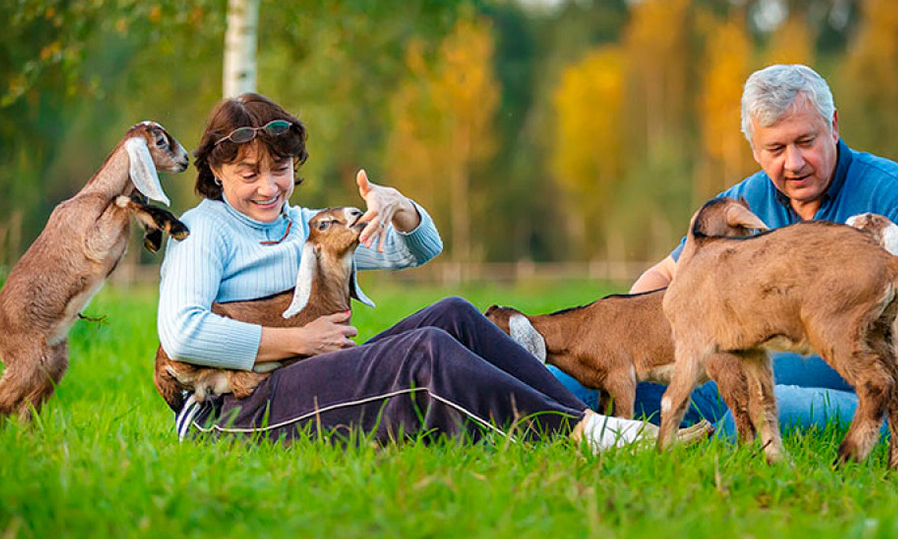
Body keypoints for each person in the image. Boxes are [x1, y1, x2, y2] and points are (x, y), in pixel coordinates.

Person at [157, 93, 676, 450]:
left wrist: (398, 207)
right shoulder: (202, 233)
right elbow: (182, 334)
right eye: (249, 174)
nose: (269, 187)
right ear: (216, 171)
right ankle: (576, 436)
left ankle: (595, 427)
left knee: (452, 315)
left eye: (281, 170)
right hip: (228, 410)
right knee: (423, 351)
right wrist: (299, 340)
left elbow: (420, 248)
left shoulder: (304, 226)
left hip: (298, 374)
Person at [551, 64, 898, 435]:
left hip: (876, 403)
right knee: (573, 379)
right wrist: (627, 348)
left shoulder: (892, 193)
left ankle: (691, 458)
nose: (793, 163)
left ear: (833, 127)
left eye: (805, 142)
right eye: (776, 149)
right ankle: (514, 428)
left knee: (769, 411)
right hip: (733, 385)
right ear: (755, 149)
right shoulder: (741, 203)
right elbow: (667, 276)